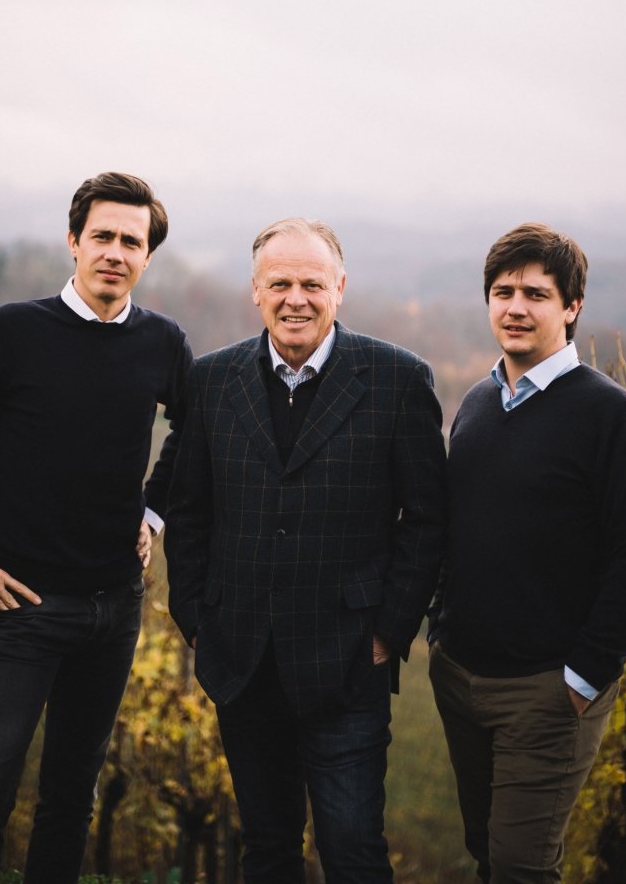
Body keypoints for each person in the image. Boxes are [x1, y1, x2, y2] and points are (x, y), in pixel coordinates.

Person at [0, 171, 193, 884]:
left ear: (147, 256)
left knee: (70, 801)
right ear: (74, 241)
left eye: (132, 241)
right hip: (21, 607)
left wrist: (153, 511)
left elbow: (191, 431)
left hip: (116, 607)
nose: (116, 252)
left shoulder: (162, 342)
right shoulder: (12, 333)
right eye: (103, 237)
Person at [164, 217, 446, 884]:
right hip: (242, 657)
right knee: (266, 849)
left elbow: (428, 519)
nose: (297, 298)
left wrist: (390, 629)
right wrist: (197, 619)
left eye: (312, 283)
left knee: (352, 850)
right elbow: (188, 511)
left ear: (339, 288)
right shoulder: (209, 381)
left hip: (348, 659)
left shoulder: (399, 381)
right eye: (281, 283)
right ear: (255, 292)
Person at [428, 222, 626, 884]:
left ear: (572, 308)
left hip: (548, 690)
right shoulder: (478, 402)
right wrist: (439, 628)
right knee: (486, 849)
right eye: (503, 291)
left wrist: (584, 675)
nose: (515, 306)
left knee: (520, 866)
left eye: (536, 293)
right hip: (461, 677)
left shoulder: (615, 419)